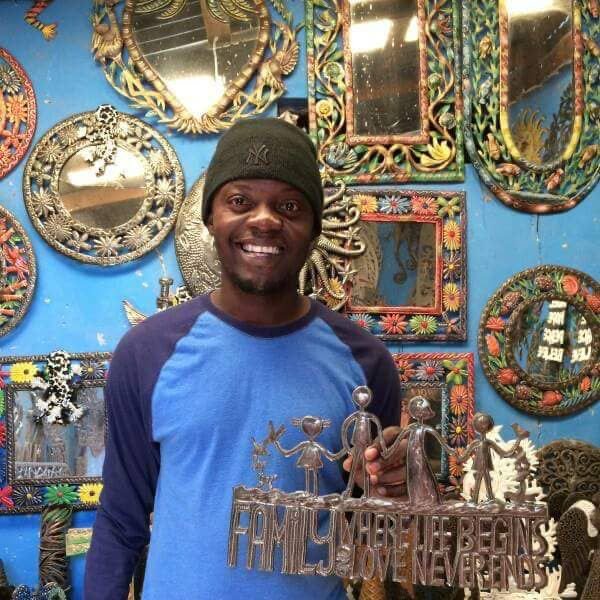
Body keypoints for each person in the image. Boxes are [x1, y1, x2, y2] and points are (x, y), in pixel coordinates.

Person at [84, 118, 405, 599]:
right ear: (210, 218)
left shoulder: (365, 362)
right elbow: (121, 517)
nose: (264, 220)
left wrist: (394, 486)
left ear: (314, 229)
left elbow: (372, 521)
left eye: (289, 206)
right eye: (239, 201)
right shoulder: (147, 353)